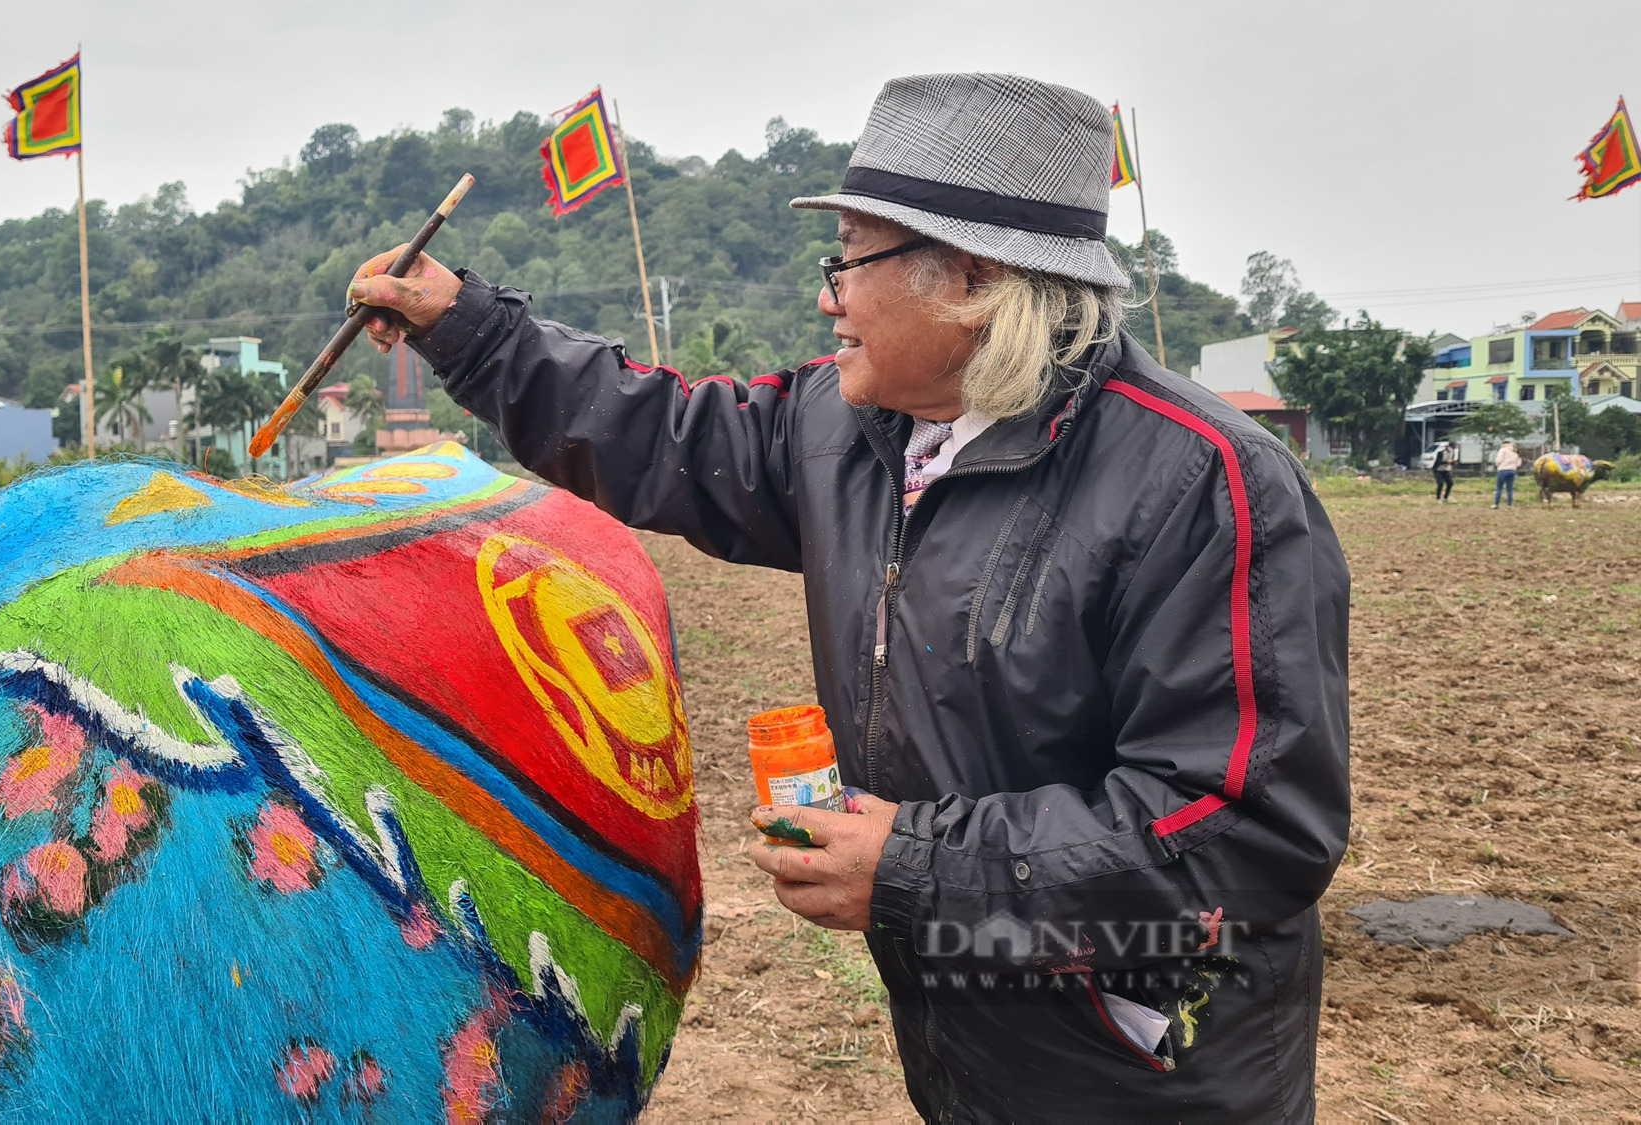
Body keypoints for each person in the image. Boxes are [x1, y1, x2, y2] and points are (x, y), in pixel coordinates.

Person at [347, 74, 1350, 1123]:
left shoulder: (1200, 485)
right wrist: (468, 329)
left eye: (849, 261)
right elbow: (662, 436)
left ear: (967, 278)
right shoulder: (851, 426)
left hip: (1144, 1069)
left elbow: (1240, 827)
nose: (826, 297)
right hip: (966, 1038)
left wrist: (919, 870)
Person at [1494, 440, 1521, 507]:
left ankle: (1496, 504)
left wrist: (1498, 464)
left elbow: (1498, 460)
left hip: (1502, 470)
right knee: (1510, 489)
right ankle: (1509, 505)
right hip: (1512, 471)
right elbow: (1518, 464)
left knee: (1499, 488)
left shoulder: (1502, 450)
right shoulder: (1515, 453)